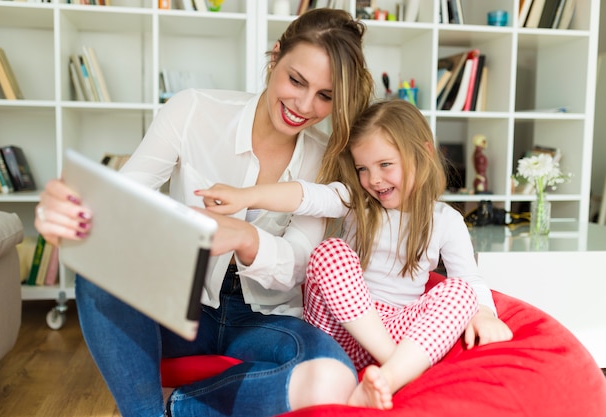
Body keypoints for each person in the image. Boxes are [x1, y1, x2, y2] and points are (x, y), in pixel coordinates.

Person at [34, 8, 375, 417]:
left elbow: (299, 264)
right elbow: (121, 202)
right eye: (296, 80)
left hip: (263, 319)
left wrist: (246, 238)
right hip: (180, 304)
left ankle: (176, 409)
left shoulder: (325, 157)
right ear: (275, 56)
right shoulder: (192, 110)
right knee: (100, 266)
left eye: (326, 96)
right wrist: (69, 217)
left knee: (335, 377)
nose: (303, 105)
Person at [196, 99, 514, 410]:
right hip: (339, 331)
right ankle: (399, 369)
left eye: (385, 165)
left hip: (396, 328)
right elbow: (304, 196)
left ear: (424, 153)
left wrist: (484, 313)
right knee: (331, 252)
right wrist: (244, 197)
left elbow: (469, 279)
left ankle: (385, 380)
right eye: (363, 168)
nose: (373, 179)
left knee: (460, 293)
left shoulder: (445, 220)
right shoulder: (356, 202)